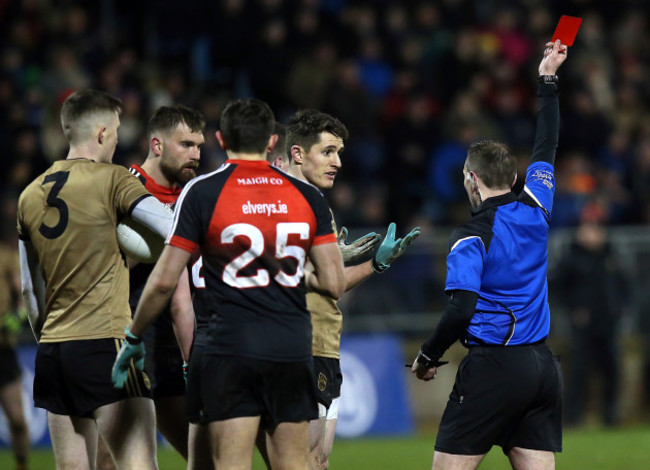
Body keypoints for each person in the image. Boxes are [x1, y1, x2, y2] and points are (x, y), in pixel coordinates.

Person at [112, 97, 346, 470]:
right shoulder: (308, 196)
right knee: (293, 463)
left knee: (228, 463)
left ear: (221, 139)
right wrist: (287, 271)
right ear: (272, 142)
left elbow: (164, 282)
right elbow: (333, 283)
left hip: (228, 347)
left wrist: (135, 335)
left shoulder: (202, 192)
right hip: (289, 347)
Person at [411, 40, 568, 470]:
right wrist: (547, 80)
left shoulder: (470, 236)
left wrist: (428, 356)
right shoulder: (537, 204)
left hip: (494, 367)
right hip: (541, 366)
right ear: (516, 177)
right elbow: (547, 144)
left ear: (471, 180)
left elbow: (461, 307)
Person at [18, 89, 174, 469]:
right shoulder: (113, 179)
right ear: (102, 133)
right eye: (117, 130)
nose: (119, 138)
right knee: (139, 465)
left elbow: (29, 289)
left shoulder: (28, 195)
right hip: (107, 344)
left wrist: (52, 336)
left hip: (54, 353)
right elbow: (174, 228)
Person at [284, 108, 421, 470]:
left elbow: (331, 283)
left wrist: (375, 264)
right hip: (305, 343)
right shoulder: (299, 203)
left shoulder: (311, 203)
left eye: (339, 152)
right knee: (305, 460)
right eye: (328, 151)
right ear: (298, 154)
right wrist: (329, 266)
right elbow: (326, 282)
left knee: (317, 459)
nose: (338, 162)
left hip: (321, 341)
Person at [552, 204, 626, 427]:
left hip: (608, 324)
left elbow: (626, 288)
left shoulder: (612, 257)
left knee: (611, 370)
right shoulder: (571, 259)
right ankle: (573, 417)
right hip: (583, 327)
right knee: (579, 372)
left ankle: (610, 416)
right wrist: (573, 310)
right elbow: (556, 288)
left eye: (597, 227)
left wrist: (620, 310)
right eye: (588, 227)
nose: (593, 232)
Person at [0, 240, 29, 470]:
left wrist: (18, 314)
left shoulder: (6, 256)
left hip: (3, 350)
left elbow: (21, 293)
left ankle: (21, 466)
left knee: (18, 420)